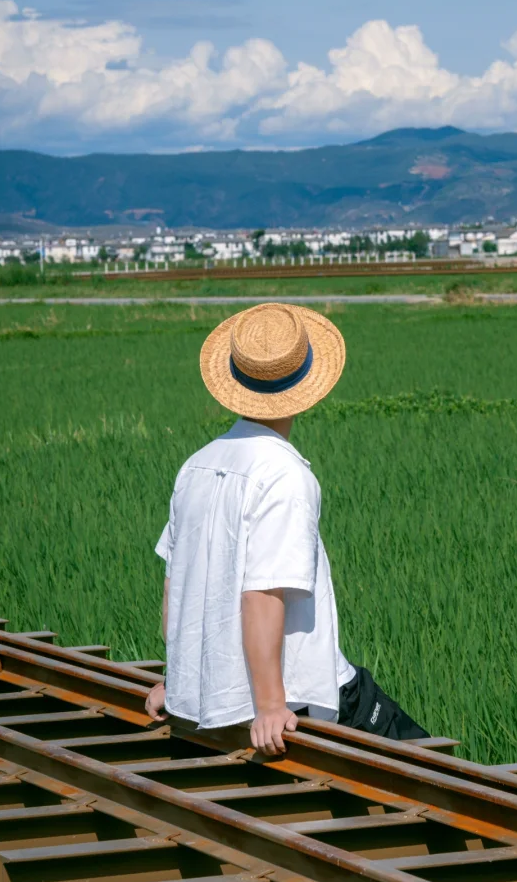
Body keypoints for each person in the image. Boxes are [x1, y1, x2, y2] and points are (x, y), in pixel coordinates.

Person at [144, 301, 428, 757]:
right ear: (307, 386)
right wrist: (272, 706)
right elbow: (262, 592)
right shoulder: (285, 475)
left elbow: (176, 585)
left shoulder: (196, 466)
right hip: (299, 693)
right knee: (427, 762)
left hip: (213, 696)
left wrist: (175, 681)